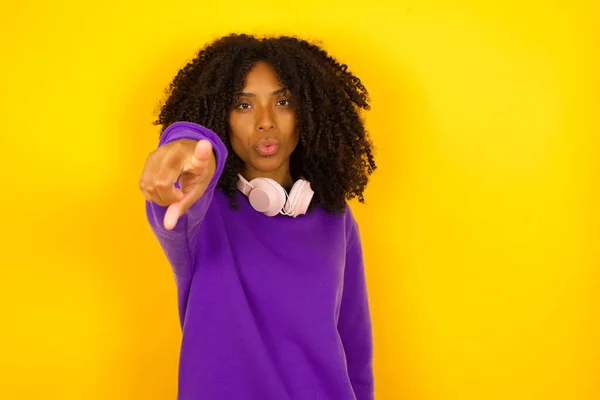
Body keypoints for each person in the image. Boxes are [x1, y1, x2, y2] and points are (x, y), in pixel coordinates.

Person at [139, 33, 377, 400]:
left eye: (283, 101)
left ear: (307, 112)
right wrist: (185, 141)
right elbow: (174, 192)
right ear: (221, 116)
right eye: (243, 105)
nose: (265, 121)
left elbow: (355, 350)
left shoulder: (335, 217)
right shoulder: (199, 214)